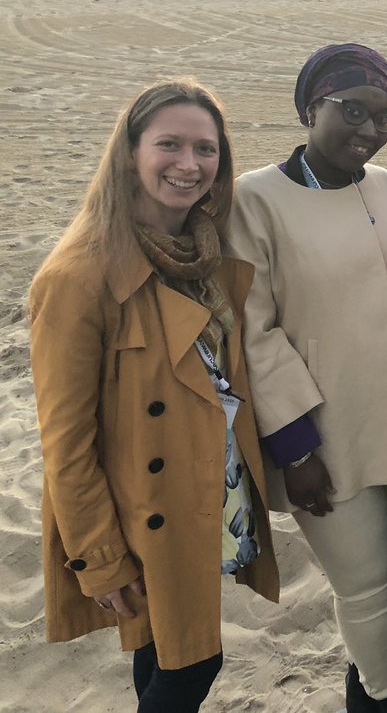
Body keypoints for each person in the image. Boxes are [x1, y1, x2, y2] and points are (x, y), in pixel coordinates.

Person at [28, 80, 280, 711]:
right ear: (130, 153)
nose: (189, 164)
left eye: (206, 149)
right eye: (169, 144)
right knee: (194, 661)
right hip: (141, 510)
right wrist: (99, 557)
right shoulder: (77, 277)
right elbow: (65, 441)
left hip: (206, 491)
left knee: (162, 648)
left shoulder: (207, 255)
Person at [226, 44, 387, 713]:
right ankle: (384, 697)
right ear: (310, 108)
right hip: (324, 437)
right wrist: (295, 449)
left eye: (384, 117)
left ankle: (364, 681)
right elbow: (254, 332)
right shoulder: (254, 201)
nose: (370, 130)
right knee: (366, 581)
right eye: (353, 111)